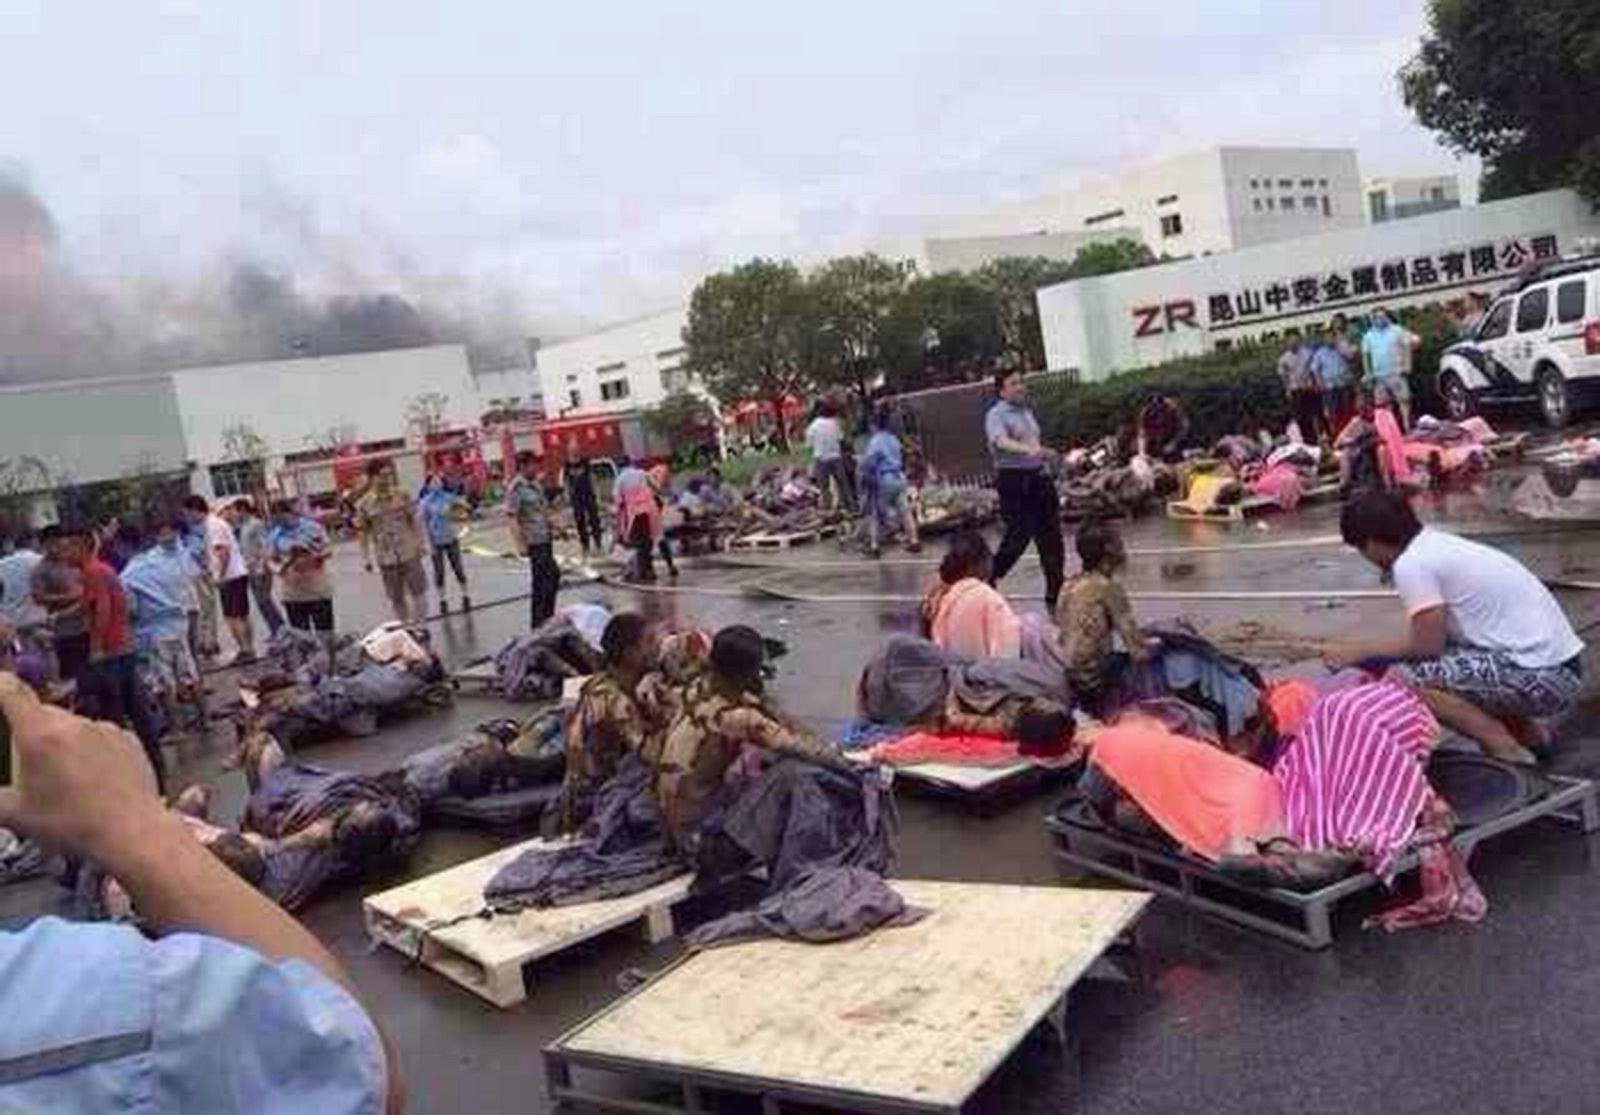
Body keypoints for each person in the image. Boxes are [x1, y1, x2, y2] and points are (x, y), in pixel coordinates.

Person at [0, 674, 400, 1112]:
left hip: (240, 847)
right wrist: (133, 826)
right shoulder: (100, 999)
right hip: (233, 858)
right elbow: (351, 1064)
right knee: (361, 816)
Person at [1327, 491, 1585, 764]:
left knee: (1404, 678)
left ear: (1371, 542)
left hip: (1546, 678)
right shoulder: (1435, 544)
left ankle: (1502, 745)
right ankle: (1529, 737)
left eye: (1361, 549)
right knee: (1457, 666)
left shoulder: (1411, 564)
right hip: (1560, 668)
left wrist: (1360, 652)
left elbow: (1426, 645)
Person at [655, 626, 848, 851]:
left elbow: (775, 716)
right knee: (789, 772)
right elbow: (798, 746)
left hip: (670, 822)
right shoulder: (738, 718)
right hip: (698, 835)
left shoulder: (696, 689)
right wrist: (847, 760)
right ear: (749, 674)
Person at [554, 613, 682, 832]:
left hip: (602, 778)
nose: (657, 647)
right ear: (629, 653)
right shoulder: (612, 699)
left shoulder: (622, 682)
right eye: (649, 641)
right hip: (590, 798)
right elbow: (650, 755)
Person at [64, 522, 165, 787]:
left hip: (111, 653)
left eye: (68, 548)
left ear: (81, 546)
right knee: (137, 712)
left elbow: (102, 609)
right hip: (122, 648)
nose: (64, 554)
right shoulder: (100, 569)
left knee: (116, 718)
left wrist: (96, 648)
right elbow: (88, 605)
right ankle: (155, 772)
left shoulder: (92, 572)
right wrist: (59, 616)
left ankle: (134, 778)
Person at [985, 369, 1066, 611]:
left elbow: (1034, 445)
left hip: (1039, 478)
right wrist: (1027, 450)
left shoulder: (1026, 412)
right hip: (1014, 480)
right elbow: (1000, 441)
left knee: (1051, 537)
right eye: (1014, 383)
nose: (1020, 387)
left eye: (1021, 382)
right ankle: (989, 577)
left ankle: (1055, 591)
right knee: (1018, 537)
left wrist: (1045, 453)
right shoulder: (996, 414)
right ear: (1002, 390)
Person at [119, 521, 206, 737]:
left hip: (153, 631)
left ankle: (177, 730)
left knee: (163, 682)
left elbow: (131, 610)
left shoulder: (127, 575)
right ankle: (205, 720)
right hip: (178, 624)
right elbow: (183, 589)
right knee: (189, 674)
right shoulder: (164, 563)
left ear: (122, 546)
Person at [1057, 520, 1152, 715]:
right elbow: (1137, 648)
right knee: (1157, 665)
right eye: (1119, 542)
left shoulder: (1069, 584)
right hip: (1092, 680)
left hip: (1066, 673)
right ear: (1109, 549)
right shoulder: (1108, 587)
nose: (1123, 548)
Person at [920, 531, 1021, 659]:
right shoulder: (988, 598)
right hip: (983, 668)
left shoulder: (936, 599)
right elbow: (1007, 654)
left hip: (950, 668)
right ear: (983, 563)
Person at [183, 495, 255, 665]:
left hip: (230, 576)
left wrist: (220, 576)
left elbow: (222, 551)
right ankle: (249, 648)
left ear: (195, 510)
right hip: (237, 573)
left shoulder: (213, 525)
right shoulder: (214, 523)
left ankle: (245, 650)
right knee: (242, 615)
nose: (187, 518)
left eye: (187, 513)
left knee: (232, 617)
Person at [355, 460, 430, 624]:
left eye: (389, 475)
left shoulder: (402, 495)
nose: (387, 479)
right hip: (386, 557)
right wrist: (366, 558)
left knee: (419, 592)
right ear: (372, 478)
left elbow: (415, 521)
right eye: (383, 475)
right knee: (396, 597)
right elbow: (362, 533)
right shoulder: (363, 504)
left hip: (409, 552)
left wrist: (420, 543)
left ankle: (421, 626)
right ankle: (406, 627)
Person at [265, 500, 336, 639]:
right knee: (302, 638)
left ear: (290, 513)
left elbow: (329, 549)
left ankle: (328, 651)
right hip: (293, 593)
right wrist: (282, 567)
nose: (281, 523)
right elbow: (269, 560)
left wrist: (315, 556)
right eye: (276, 519)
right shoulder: (274, 535)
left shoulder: (312, 528)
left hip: (318, 590)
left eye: (283, 518)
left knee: (326, 634)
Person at [856, 406, 921, 558]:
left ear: (874, 425)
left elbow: (871, 463)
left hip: (884, 479)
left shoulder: (875, 441)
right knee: (905, 512)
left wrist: (865, 475)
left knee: (874, 513)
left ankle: (874, 546)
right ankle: (914, 541)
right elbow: (901, 457)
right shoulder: (893, 439)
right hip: (899, 478)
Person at [507, 451, 560, 628]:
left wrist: (557, 527)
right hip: (533, 541)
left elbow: (543, 510)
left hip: (545, 537)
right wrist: (520, 543)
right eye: (533, 464)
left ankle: (546, 618)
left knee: (551, 577)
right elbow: (512, 517)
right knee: (542, 582)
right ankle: (538, 623)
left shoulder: (536, 485)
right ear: (523, 466)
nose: (536, 467)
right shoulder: (516, 488)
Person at [30, 524, 88, 687]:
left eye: (61, 542)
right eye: (53, 543)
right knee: (73, 676)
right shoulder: (40, 570)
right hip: (64, 630)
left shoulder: (73, 562)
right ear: (45, 545)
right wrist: (70, 597)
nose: (58, 547)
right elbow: (38, 598)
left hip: (86, 625)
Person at [1334, 391, 1412, 493]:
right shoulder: (1356, 422)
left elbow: (1390, 438)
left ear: (1371, 406)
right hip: (1361, 452)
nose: (1362, 411)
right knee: (1346, 454)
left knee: (1382, 451)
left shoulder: (1384, 416)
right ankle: (1345, 485)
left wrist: (1377, 440)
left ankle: (1389, 484)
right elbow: (1338, 442)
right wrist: (1357, 441)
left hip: (1382, 451)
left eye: (1364, 407)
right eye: (1359, 408)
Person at [231, 498, 285, 637]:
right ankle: (274, 630)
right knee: (260, 602)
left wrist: (261, 566)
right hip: (250, 569)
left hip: (260, 568)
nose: (234, 514)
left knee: (264, 600)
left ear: (243, 509)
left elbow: (265, 546)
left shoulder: (256, 524)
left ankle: (280, 629)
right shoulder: (242, 526)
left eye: (235, 510)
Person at [418, 474, 472, 612]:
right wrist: (428, 543)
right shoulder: (425, 502)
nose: (436, 484)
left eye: (439, 481)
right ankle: (442, 600)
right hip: (435, 540)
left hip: (451, 537)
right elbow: (423, 523)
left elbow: (464, 509)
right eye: (433, 482)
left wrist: (462, 508)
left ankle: (466, 595)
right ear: (428, 485)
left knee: (458, 568)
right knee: (439, 571)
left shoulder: (449, 497)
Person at [1360, 308, 1420, 432]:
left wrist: (1407, 365)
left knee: (1404, 402)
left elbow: (1410, 345)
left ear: (1387, 317)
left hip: (1397, 372)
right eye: (1376, 317)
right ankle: (1391, 432)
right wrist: (1368, 373)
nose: (1379, 319)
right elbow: (1366, 356)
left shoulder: (1397, 330)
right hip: (1379, 376)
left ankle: (1407, 428)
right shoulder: (1368, 336)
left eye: (1382, 316)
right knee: (1384, 406)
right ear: (1372, 320)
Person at [805, 399, 854, 512]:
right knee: (843, 484)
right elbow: (841, 439)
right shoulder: (834, 423)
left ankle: (827, 509)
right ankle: (850, 507)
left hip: (821, 459)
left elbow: (809, 446)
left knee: (824, 487)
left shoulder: (813, 426)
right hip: (835, 458)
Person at [1277, 337, 1323, 443]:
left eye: (1295, 341)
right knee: (1302, 418)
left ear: (1299, 341)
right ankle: (1309, 440)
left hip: (1310, 388)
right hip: (1296, 390)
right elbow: (1283, 376)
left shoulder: (1308, 353)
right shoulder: (1284, 359)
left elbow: (1313, 370)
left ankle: (1323, 436)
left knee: (1317, 414)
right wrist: (1287, 390)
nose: (1293, 343)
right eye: (1290, 341)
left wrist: (1316, 384)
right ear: (1287, 343)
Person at [1310, 327, 1356, 434]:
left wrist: (1343, 350)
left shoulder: (1342, 348)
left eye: (1331, 337)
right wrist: (1320, 383)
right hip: (1330, 388)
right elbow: (1314, 370)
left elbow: (1352, 359)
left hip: (1344, 384)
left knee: (1348, 410)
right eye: (1327, 337)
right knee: (1333, 413)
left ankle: (1350, 433)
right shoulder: (1320, 353)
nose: (1329, 339)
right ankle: (1337, 433)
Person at [562, 452, 604, 557]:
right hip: (576, 498)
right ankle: (585, 546)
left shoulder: (585, 463)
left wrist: (597, 495)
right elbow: (565, 482)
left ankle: (598, 544)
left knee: (594, 520)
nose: (574, 452)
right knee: (580, 522)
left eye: (575, 450)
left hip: (588, 495)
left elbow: (592, 478)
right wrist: (567, 496)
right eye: (572, 450)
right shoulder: (567, 466)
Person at [1136, 393, 1190, 462]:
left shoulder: (1173, 409)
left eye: (1158, 407)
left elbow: (1183, 428)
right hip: (1158, 437)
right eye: (1153, 407)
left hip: (1175, 436)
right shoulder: (1146, 412)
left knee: (1173, 455)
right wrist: (1142, 452)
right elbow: (1142, 434)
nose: (1156, 410)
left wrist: (1173, 443)